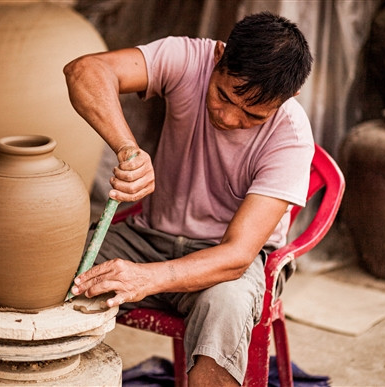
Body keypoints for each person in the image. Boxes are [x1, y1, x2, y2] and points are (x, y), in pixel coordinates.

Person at [64, 11, 314, 387]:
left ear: (288, 98)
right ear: (218, 57)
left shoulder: (291, 137)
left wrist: (146, 278)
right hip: (147, 238)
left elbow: (236, 256)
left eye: (252, 114)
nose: (229, 118)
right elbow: (84, 71)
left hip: (222, 263)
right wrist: (127, 149)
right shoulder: (188, 59)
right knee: (51, 275)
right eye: (223, 95)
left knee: (225, 310)